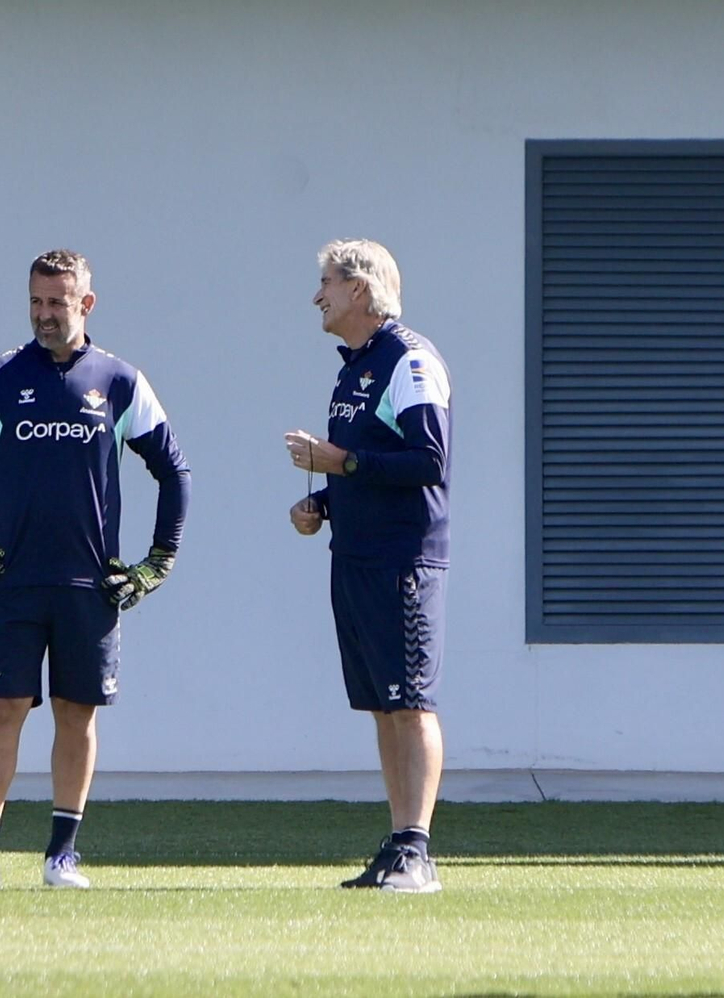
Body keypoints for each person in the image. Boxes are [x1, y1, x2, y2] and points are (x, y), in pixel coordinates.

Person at [0, 249, 190, 889]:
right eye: (36, 302)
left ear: (85, 304)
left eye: (57, 303)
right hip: (13, 583)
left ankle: (61, 855)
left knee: (77, 713)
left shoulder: (120, 380)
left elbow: (174, 470)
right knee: (1, 707)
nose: (44, 314)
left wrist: (158, 562)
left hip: (89, 586)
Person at [284, 239, 451, 893]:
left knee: (410, 704)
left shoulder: (408, 359)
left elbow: (428, 461)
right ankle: (399, 840)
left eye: (325, 281)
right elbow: (366, 462)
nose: (317, 295)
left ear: (360, 289)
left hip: (402, 561)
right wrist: (322, 501)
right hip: (354, 557)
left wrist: (341, 464)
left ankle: (419, 851)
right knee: (384, 707)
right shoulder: (354, 368)